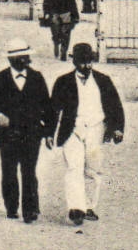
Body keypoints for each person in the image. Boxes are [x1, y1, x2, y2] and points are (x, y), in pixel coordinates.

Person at [46, 43, 125, 226]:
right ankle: (76, 209)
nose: (87, 66)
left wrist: (117, 128)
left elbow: (115, 106)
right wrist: (49, 133)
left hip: (96, 129)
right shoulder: (63, 82)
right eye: (82, 62)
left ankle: (89, 206)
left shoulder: (103, 81)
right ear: (74, 61)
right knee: (74, 168)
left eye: (89, 62)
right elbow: (53, 110)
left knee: (93, 170)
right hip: (72, 130)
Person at [0, 38, 51, 223]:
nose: (24, 61)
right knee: (9, 171)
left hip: (32, 133)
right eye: (19, 58)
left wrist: (47, 133)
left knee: (29, 171)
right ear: (10, 60)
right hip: (7, 134)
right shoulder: (0, 78)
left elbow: (47, 106)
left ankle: (30, 210)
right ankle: (11, 207)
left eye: (26, 57)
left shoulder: (37, 78)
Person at [41, 0, 80, 64]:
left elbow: (73, 3)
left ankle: (64, 51)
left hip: (66, 13)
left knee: (66, 33)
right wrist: (46, 13)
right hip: (54, 13)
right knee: (55, 31)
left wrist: (75, 15)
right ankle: (56, 43)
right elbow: (46, 1)